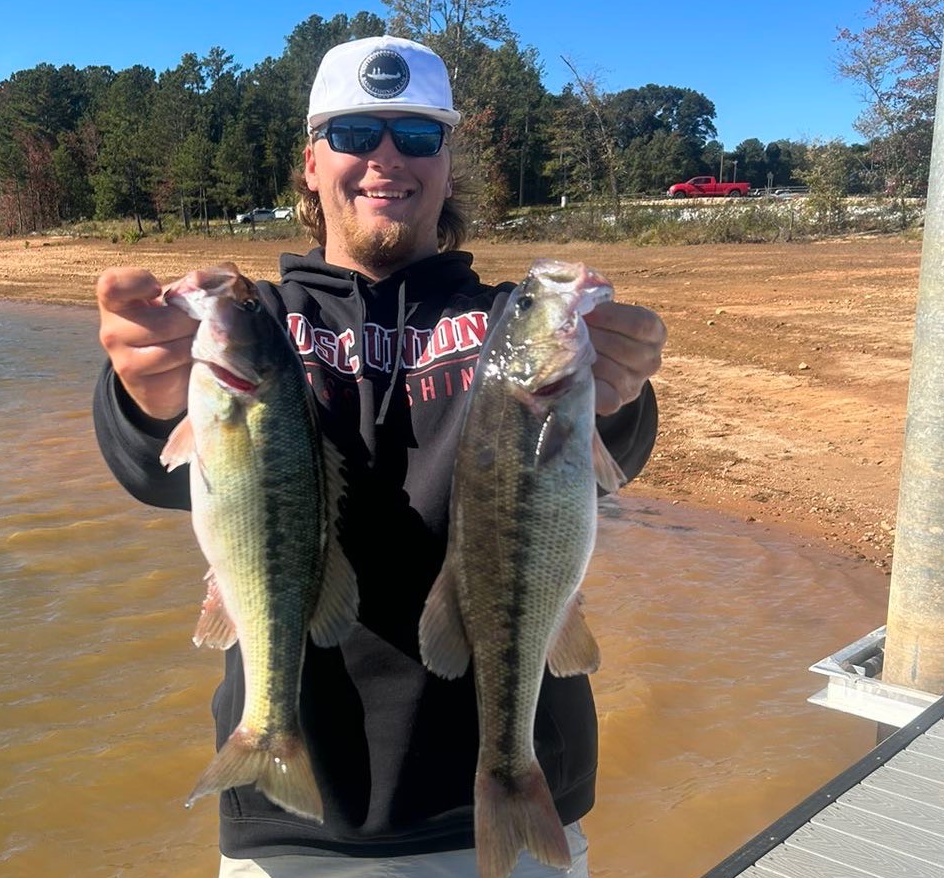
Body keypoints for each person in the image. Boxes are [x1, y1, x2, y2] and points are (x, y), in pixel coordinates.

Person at [94, 35, 666, 878]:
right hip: (297, 823)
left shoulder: (515, 324)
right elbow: (154, 472)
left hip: (513, 796)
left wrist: (616, 391)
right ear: (312, 160)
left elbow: (601, 457)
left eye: (418, 136)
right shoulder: (260, 330)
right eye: (358, 132)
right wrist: (144, 399)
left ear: (447, 161)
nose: (386, 158)